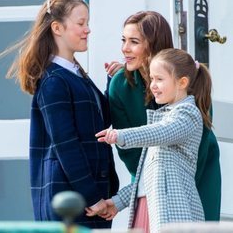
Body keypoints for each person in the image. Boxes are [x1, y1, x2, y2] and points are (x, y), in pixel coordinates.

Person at [6, 0, 119, 228]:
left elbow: (99, 121)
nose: (87, 29)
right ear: (57, 28)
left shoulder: (75, 75)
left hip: (89, 200)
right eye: (80, 23)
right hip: (72, 203)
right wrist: (92, 197)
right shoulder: (54, 81)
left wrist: (113, 82)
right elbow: (66, 144)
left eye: (87, 23)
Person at [104, 11, 221, 220]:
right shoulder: (120, 85)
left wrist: (180, 185)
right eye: (124, 40)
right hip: (148, 174)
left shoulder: (187, 78)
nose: (125, 48)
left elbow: (200, 143)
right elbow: (131, 157)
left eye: (134, 42)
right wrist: (150, 183)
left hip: (197, 172)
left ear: (152, 45)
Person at [90, 48, 211, 233]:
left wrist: (121, 135)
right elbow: (148, 177)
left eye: (159, 79)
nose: (153, 85)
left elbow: (161, 132)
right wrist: (117, 202)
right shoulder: (164, 116)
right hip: (152, 210)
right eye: (152, 79)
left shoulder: (187, 114)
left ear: (182, 82)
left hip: (173, 216)